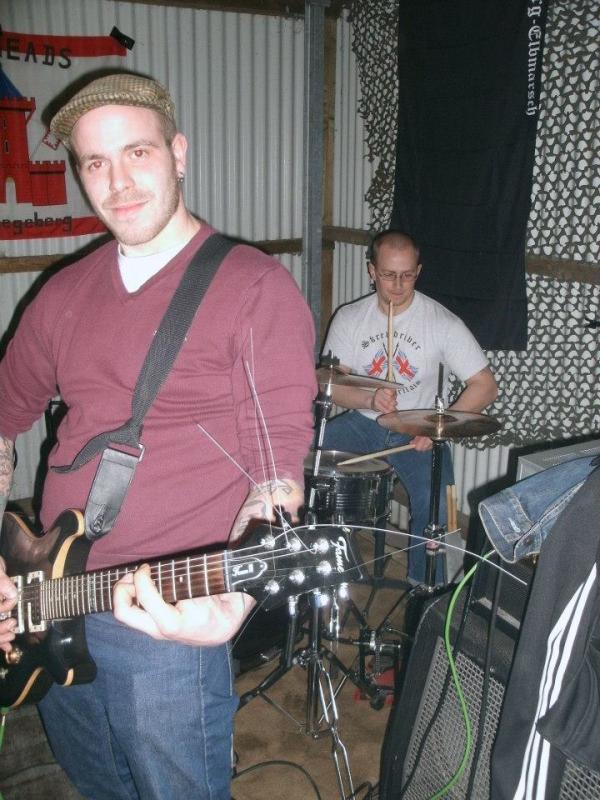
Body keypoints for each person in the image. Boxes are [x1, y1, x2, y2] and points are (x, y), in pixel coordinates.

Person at [0, 72, 316, 800]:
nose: (118, 183)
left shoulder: (253, 287)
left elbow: (274, 474)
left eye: (137, 153)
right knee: (93, 783)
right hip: (50, 597)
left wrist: (234, 599)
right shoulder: (61, 294)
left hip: (164, 618)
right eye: (95, 163)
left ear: (178, 153)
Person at [320, 230, 497, 585]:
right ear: (372, 271)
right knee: (303, 464)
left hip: (418, 429)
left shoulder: (442, 322)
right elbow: (329, 385)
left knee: (439, 506)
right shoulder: (350, 318)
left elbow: (485, 386)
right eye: (388, 275)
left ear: (418, 271)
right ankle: (321, 569)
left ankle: (425, 592)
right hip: (364, 423)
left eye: (407, 275)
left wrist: (437, 427)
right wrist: (369, 399)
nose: (398, 285)